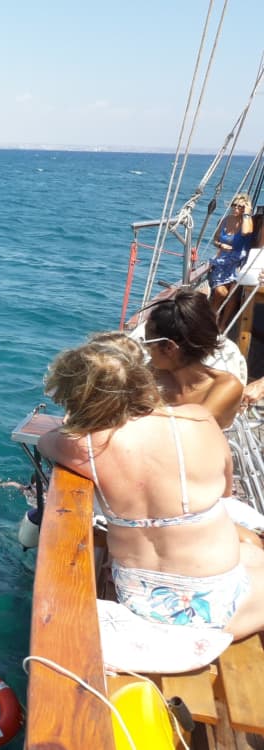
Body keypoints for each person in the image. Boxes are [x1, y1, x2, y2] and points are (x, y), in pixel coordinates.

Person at [38, 333, 264, 639]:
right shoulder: (198, 419)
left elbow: (45, 442)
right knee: (252, 553)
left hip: (143, 601)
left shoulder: (85, 446)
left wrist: (83, 416)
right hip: (217, 605)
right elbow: (225, 492)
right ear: (144, 379)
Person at [141, 289, 245, 429]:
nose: (147, 350)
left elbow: (192, 430)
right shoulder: (153, 374)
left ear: (169, 348)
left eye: (148, 344)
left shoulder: (226, 386)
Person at [208, 193, 254, 325]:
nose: (236, 208)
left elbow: (245, 232)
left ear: (245, 208)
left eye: (240, 206)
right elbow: (215, 239)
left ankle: (222, 326)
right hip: (222, 262)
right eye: (234, 205)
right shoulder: (225, 220)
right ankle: (212, 323)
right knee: (219, 292)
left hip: (238, 263)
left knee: (232, 296)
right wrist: (220, 245)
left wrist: (247, 213)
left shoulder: (248, 221)